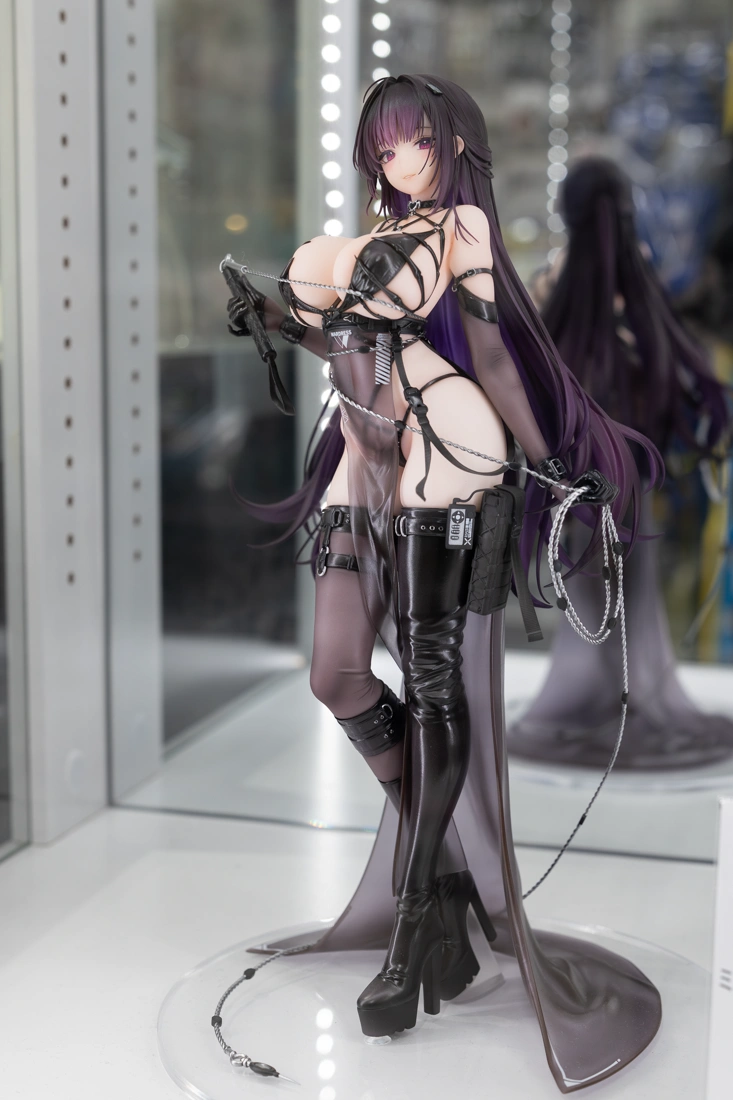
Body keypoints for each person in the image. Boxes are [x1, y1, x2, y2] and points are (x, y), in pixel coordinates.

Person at [227, 77, 662, 1094]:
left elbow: (495, 359)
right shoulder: (382, 228)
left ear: (451, 143)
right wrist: (275, 313)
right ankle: (455, 880)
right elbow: (345, 342)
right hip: (363, 456)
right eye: (382, 147)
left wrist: (552, 461)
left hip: (448, 451)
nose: (397, 161)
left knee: (430, 684)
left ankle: (416, 913)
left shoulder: (458, 226)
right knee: (336, 672)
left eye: (412, 141)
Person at [512, 156, 733, 769]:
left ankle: (606, 697)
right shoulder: (638, 278)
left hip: (584, 472)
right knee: (624, 589)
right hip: (625, 472)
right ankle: (620, 695)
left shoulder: (561, 282)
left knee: (594, 588)